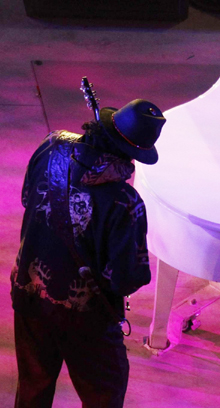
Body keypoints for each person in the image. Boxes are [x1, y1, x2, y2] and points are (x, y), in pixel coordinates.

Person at [11, 98, 166, 407]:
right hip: (85, 319)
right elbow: (123, 279)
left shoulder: (51, 144)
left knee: (33, 386)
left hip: (28, 295)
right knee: (104, 395)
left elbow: (28, 197)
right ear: (134, 153)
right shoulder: (125, 202)